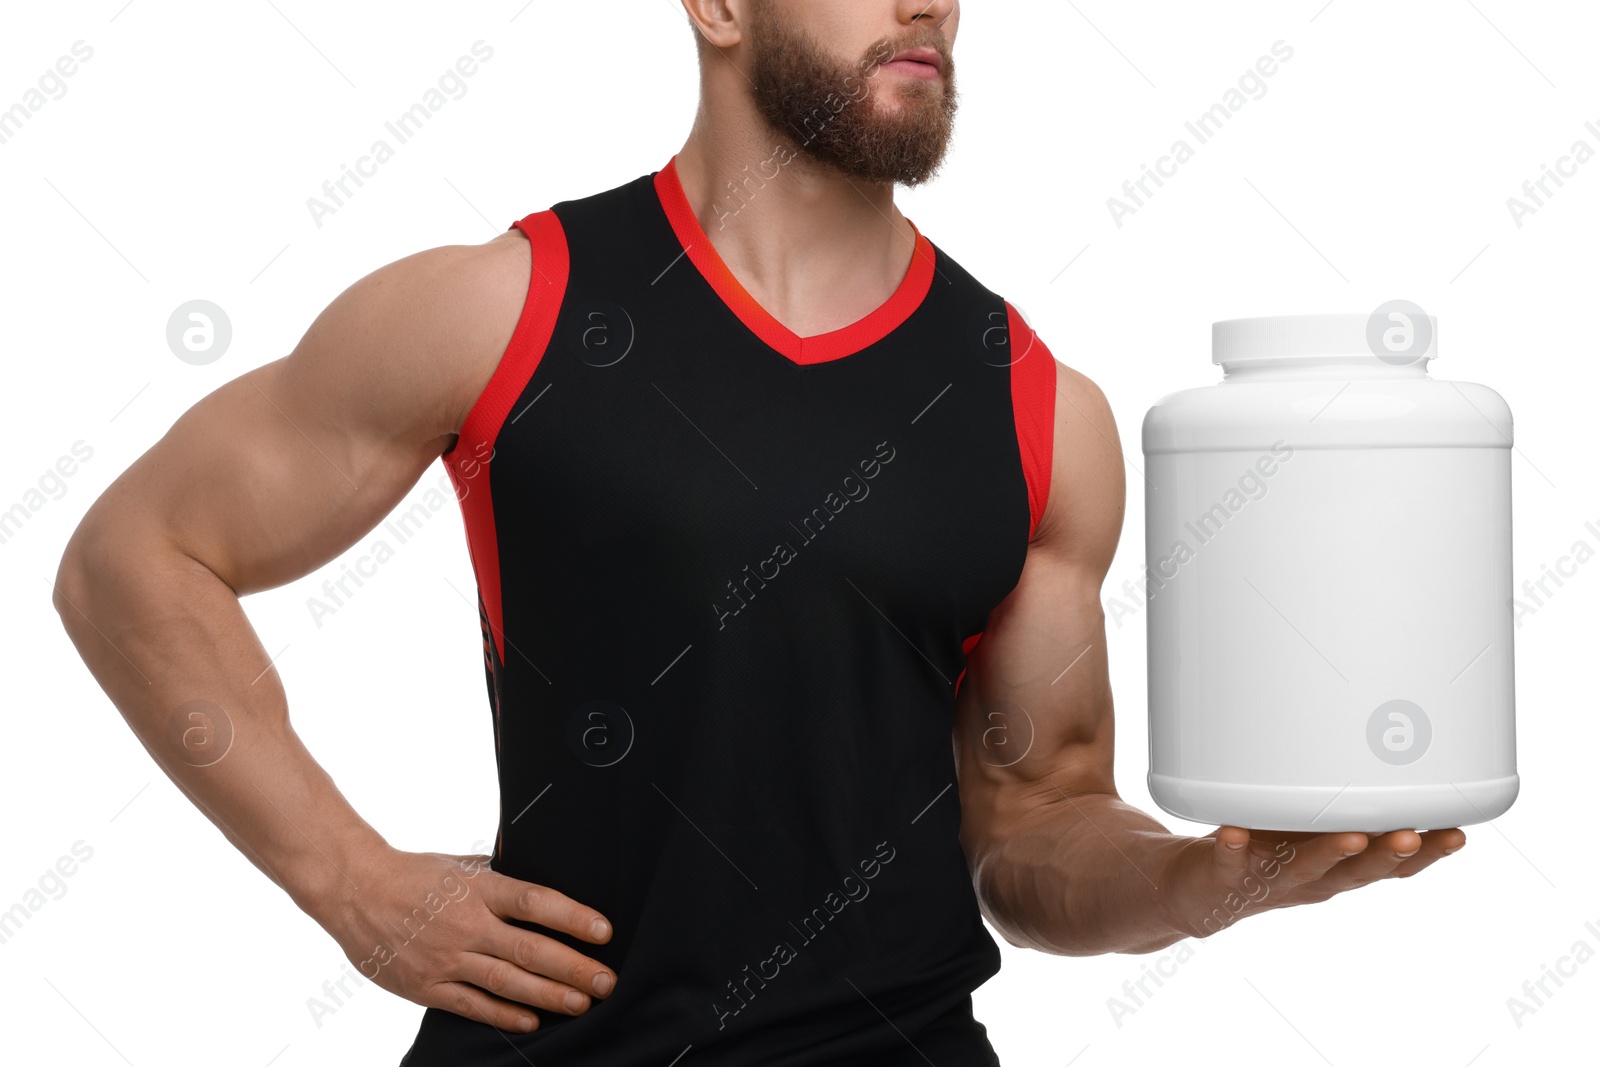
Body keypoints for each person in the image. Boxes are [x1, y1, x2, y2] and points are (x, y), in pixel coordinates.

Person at [52, 2, 1465, 1064]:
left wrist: (1197, 884)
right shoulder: (502, 308)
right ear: (719, 6)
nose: (927, 2)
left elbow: (1034, 825)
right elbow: (134, 558)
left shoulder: (1039, 410)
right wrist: (349, 883)